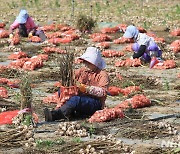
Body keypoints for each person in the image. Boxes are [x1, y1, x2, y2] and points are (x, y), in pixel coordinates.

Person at [44, 47, 109, 121]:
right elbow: (70, 78)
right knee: (61, 91)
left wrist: (85, 88)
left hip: (95, 103)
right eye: (85, 62)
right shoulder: (82, 71)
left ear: (95, 63)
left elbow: (103, 92)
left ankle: (55, 115)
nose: (86, 64)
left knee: (75, 100)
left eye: (88, 62)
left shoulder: (102, 74)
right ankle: (67, 111)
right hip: (81, 99)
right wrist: (65, 85)